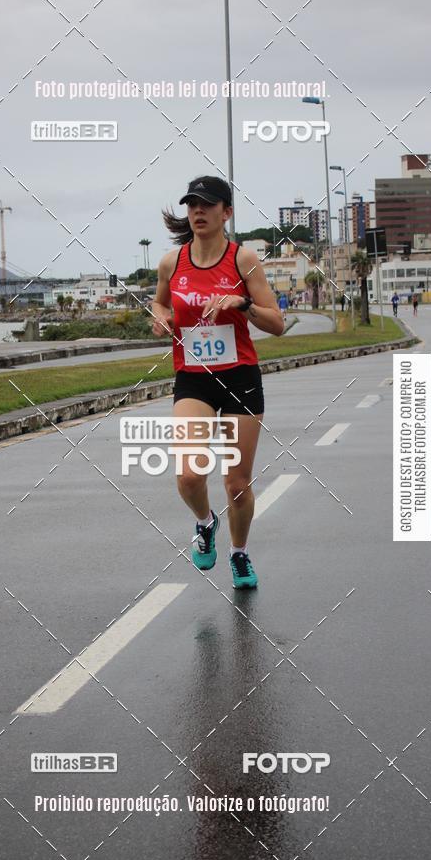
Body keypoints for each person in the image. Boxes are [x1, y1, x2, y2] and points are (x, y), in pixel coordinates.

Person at [152, 175, 284, 589]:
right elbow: (159, 299)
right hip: (193, 379)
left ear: (226, 212)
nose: (197, 212)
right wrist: (158, 315)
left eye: (207, 205)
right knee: (190, 475)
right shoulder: (172, 262)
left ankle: (239, 553)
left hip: (240, 377)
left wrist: (242, 303)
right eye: (192, 204)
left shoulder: (243, 260)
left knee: (236, 481)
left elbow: (277, 324)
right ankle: (206, 523)